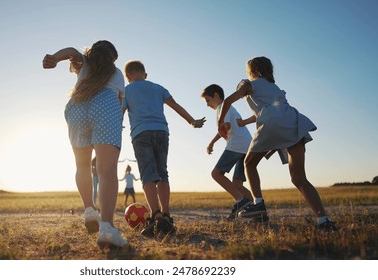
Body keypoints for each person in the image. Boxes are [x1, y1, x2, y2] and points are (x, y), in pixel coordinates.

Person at [218, 56, 337, 231]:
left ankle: (258, 205)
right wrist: (245, 122)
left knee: (249, 164)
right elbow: (268, 109)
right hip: (293, 121)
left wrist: (221, 122)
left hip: (272, 123)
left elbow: (228, 101)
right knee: (299, 178)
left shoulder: (248, 84)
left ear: (254, 71)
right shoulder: (275, 87)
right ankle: (324, 220)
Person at [42, 40, 128, 248]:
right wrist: (116, 124)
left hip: (77, 106)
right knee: (106, 170)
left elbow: (71, 51)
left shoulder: (85, 64)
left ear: (91, 52)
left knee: (81, 165)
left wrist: (55, 57)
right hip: (106, 105)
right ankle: (107, 228)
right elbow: (119, 103)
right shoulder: (117, 73)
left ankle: (89, 210)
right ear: (113, 58)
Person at [122, 60, 206, 237]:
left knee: (147, 174)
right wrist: (192, 121)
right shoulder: (158, 87)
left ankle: (155, 214)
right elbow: (175, 105)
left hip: (141, 134)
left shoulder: (127, 90)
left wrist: (114, 129)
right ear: (145, 74)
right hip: (161, 132)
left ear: (127, 77)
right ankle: (167, 215)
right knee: (162, 173)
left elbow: (120, 113)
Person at [201, 84, 253, 221]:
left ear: (216, 96)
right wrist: (212, 142)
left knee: (216, 174)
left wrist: (223, 127)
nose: (207, 105)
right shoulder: (224, 109)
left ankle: (240, 201)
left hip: (237, 144)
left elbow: (227, 126)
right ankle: (256, 209)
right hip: (246, 145)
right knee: (237, 184)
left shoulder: (223, 107)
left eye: (208, 100)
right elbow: (224, 128)